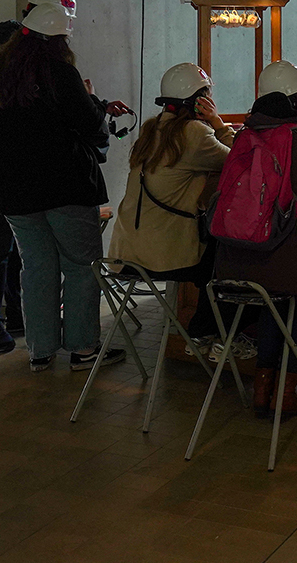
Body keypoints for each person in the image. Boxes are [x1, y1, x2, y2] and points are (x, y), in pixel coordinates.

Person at [0, 2, 122, 372]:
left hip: (13, 192)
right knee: (80, 267)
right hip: (66, 187)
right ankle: (83, 350)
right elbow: (88, 125)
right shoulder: (59, 72)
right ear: (59, 39)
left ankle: (39, 351)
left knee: (36, 269)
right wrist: (93, 101)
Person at [214, 61, 297, 418]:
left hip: (236, 260)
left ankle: (262, 388)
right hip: (282, 256)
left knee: (271, 303)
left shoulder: (242, 135)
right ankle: (285, 392)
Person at [0, 0, 77, 355]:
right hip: (1, 159)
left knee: (14, 244)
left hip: (14, 157)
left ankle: (13, 317)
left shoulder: (26, 47)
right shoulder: (5, 43)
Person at [108, 63, 252, 355]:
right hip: (163, 255)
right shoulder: (195, 134)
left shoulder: (151, 130)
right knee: (234, 256)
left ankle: (201, 332)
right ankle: (212, 335)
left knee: (217, 252)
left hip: (125, 252)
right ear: (201, 101)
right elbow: (241, 160)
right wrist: (218, 123)